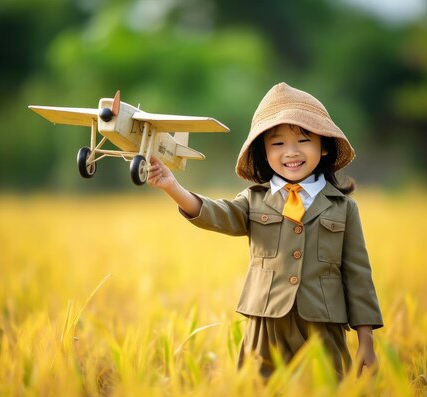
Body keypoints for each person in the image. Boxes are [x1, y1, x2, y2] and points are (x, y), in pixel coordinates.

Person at [147, 82, 383, 378]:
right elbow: (216, 214)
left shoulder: (343, 208)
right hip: (265, 323)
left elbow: (358, 275)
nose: (291, 153)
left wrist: (366, 339)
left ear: (324, 146)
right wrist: (173, 187)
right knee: (260, 396)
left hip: (324, 324)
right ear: (264, 152)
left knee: (327, 395)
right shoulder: (254, 200)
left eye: (303, 140)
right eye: (278, 143)